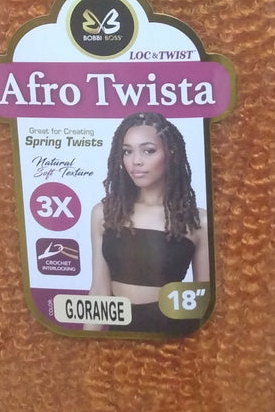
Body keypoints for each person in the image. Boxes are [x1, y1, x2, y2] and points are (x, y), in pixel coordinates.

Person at [87, 112, 209, 335]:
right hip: (119, 335)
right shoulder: (105, 214)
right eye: (127, 151)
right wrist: (86, 345)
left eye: (148, 150)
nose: (136, 161)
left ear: (171, 153)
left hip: (174, 337)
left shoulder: (197, 221)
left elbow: (206, 302)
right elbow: (98, 292)